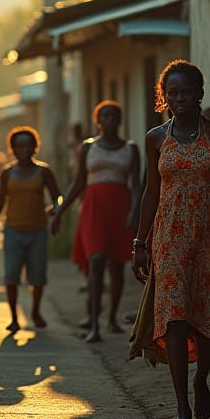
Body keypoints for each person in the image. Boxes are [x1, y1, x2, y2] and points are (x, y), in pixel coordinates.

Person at [130, 60, 210, 419]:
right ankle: (182, 408)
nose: (179, 99)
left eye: (186, 92)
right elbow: (151, 192)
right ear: (164, 96)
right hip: (170, 238)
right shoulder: (155, 138)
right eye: (172, 93)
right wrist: (140, 242)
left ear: (200, 94)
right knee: (175, 317)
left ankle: (201, 382)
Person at [51, 101, 142, 342]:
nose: (110, 120)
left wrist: (135, 211)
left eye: (114, 115)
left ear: (120, 120)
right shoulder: (88, 148)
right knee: (96, 260)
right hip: (94, 208)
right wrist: (60, 210)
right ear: (97, 121)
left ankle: (111, 318)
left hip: (120, 209)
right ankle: (94, 323)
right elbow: (78, 182)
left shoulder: (130, 149)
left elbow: (136, 185)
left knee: (117, 264)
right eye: (105, 116)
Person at [0, 126, 62, 333]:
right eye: (20, 146)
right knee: (11, 276)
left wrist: (55, 215)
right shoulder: (7, 173)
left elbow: (57, 198)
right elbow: (0, 201)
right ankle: (14, 317)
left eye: (28, 145)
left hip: (38, 231)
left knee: (37, 277)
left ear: (35, 147)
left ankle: (35, 312)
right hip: (13, 231)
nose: (24, 150)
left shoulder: (43, 171)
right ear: (13, 149)